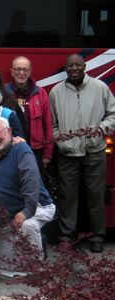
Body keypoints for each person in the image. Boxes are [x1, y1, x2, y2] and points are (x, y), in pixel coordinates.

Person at [50, 53, 115, 253]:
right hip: (67, 154)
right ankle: (67, 237)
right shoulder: (56, 92)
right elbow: (52, 124)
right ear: (66, 68)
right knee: (68, 197)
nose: (74, 69)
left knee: (95, 196)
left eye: (78, 65)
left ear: (85, 66)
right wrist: (61, 142)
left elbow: (112, 115)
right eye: (70, 66)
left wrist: (99, 132)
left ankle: (97, 236)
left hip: (94, 151)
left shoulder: (100, 88)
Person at [0, 117, 55, 274]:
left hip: (36, 207)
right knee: (8, 267)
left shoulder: (22, 150)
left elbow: (31, 183)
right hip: (7, 218)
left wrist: (27, 211)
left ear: (9, 132)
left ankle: (37, 268)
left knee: (28, 225)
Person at [5, 57, 54, 171]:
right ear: (12, 72)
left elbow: (48, 125)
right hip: (9, 150)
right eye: (18, 69)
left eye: (25, 69)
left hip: (35, 151)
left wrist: (47, 155)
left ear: (30, 72)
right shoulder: (4, 93)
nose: (21, 73)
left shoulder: (40, 93)